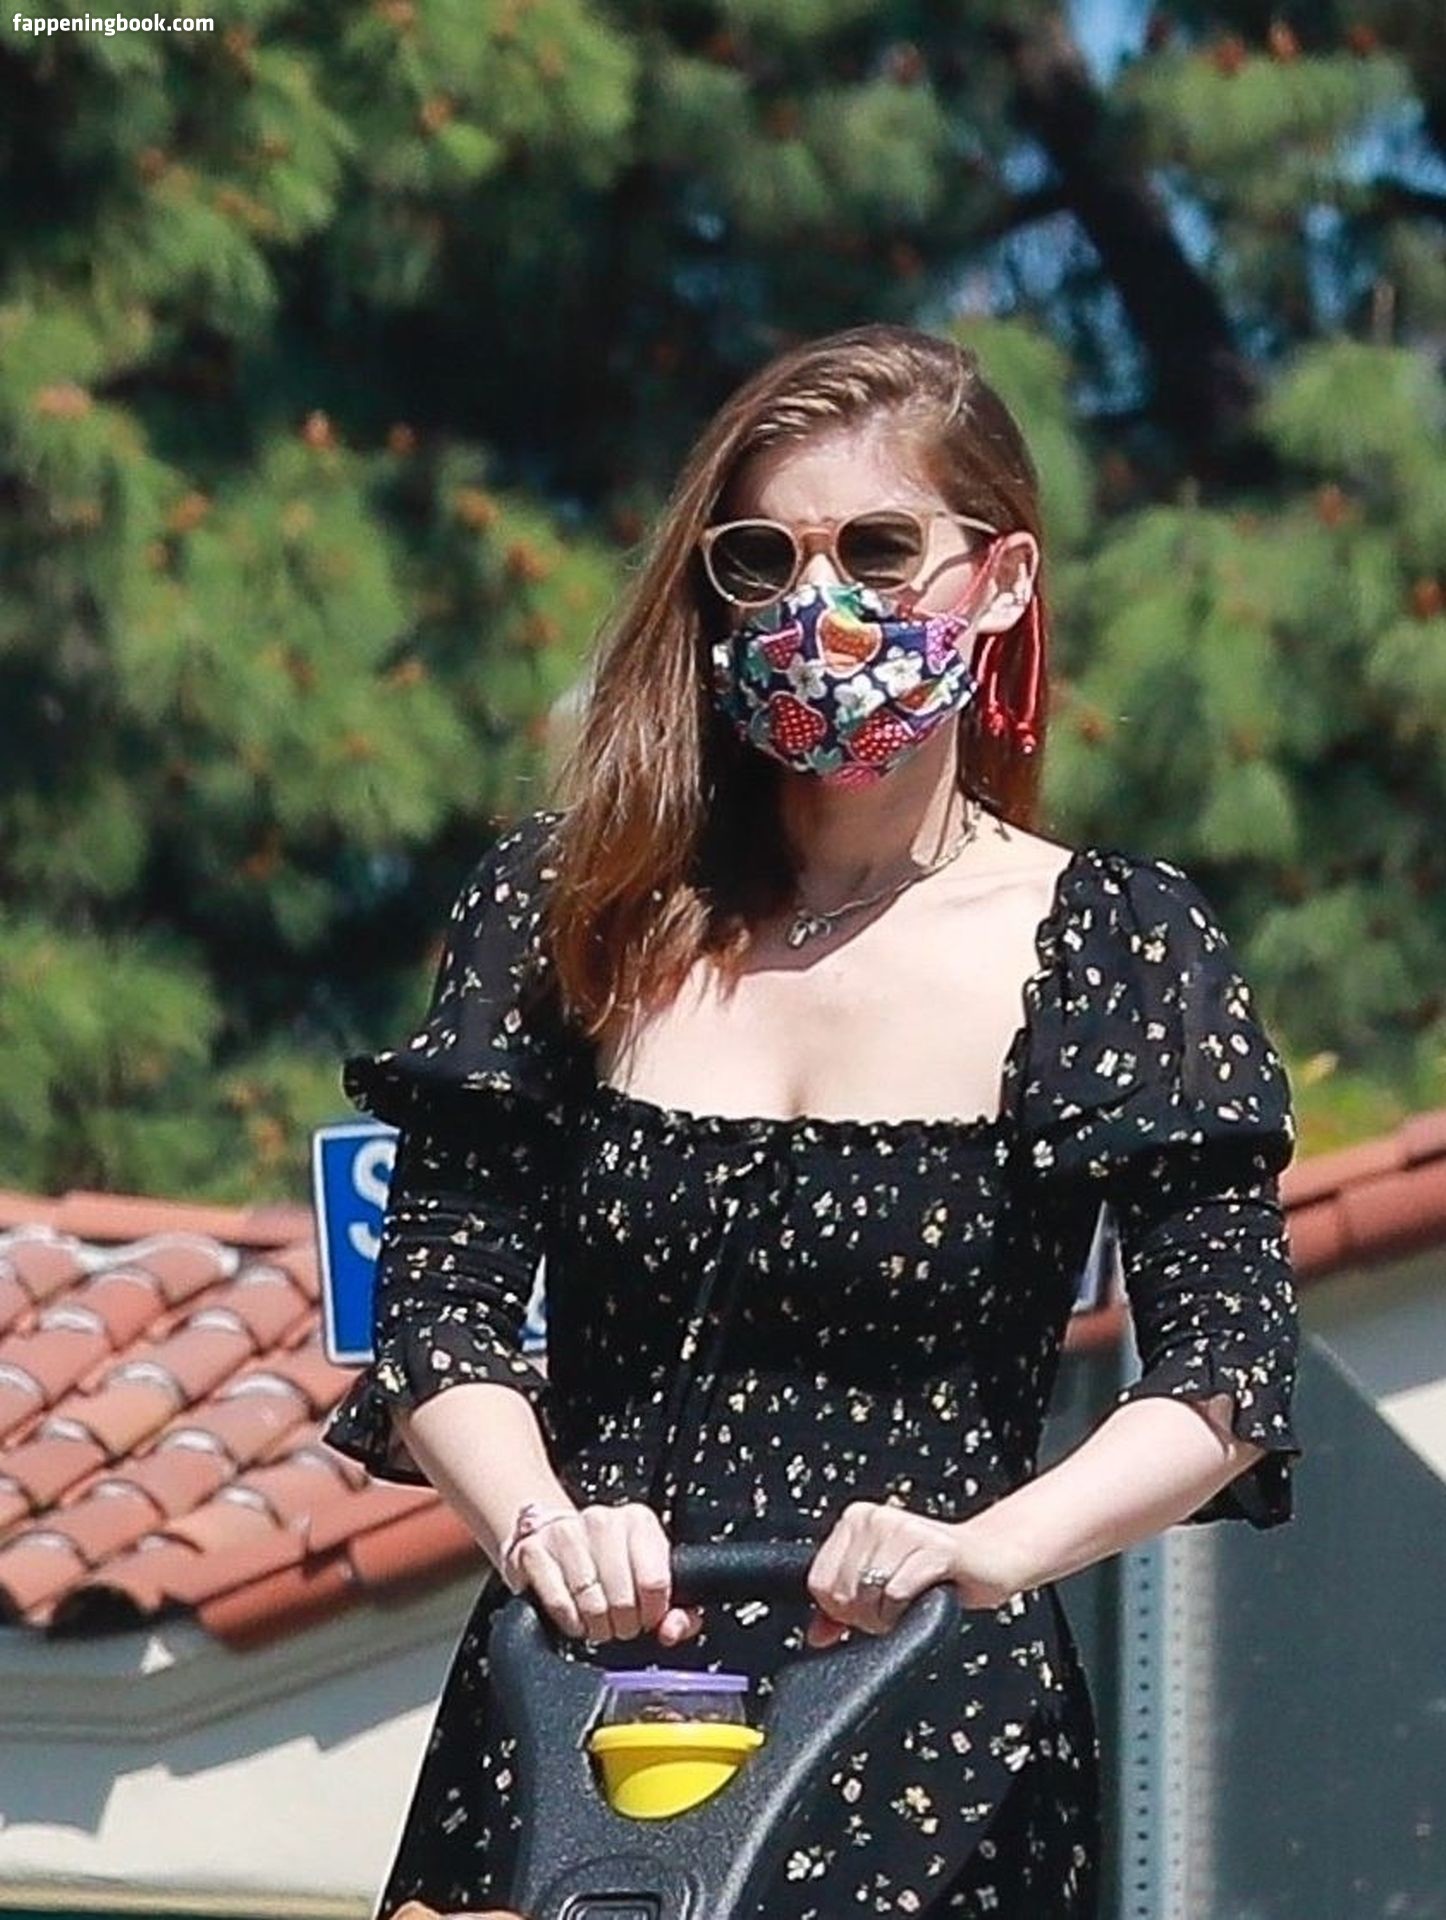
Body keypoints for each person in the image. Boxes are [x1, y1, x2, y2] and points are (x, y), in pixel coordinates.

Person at [321, 322, 1303, 1919]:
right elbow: (436, 1307)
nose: (816, 602)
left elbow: (1225, 1373)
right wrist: (540, 1528)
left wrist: (989, 1549)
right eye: (762, 559)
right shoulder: (571, 903)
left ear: (998, 580)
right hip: (579, 1710)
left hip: (924, 1729)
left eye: (877, 550)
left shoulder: (1111, 941)